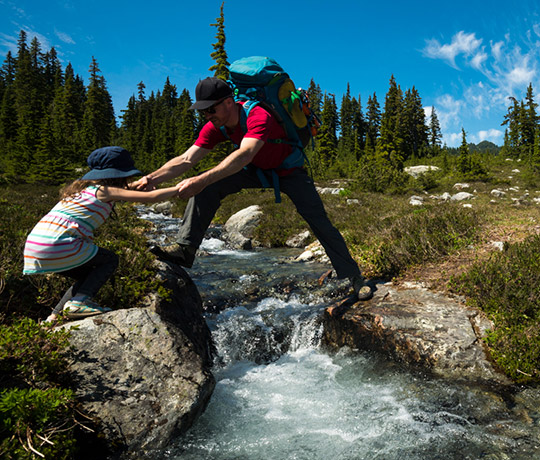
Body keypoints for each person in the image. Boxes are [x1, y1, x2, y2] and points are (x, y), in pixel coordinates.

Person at [137, 76, 373, 300]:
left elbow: (245, 154)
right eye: (203, 111)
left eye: (211, 109)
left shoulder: (257, 115)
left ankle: (354, 277)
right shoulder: (215, 125)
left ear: (229, 102)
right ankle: (185, 249)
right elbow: (186, 159)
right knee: (207, 187)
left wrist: (202, 180)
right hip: (256, 170)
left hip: (288, 171)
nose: (207, 115)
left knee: (318, 220)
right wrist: (151, 178)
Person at [23, 146, 179, 322]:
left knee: (87, 274)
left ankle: (54, 317)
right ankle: (77, 304)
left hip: (36, 245)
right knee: (109, 260)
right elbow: (152, 197)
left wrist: (138, 184)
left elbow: (124, 192)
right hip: (59, 243)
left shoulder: (84, 190)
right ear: (117, 174)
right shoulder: (105, 191)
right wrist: (179, 188)